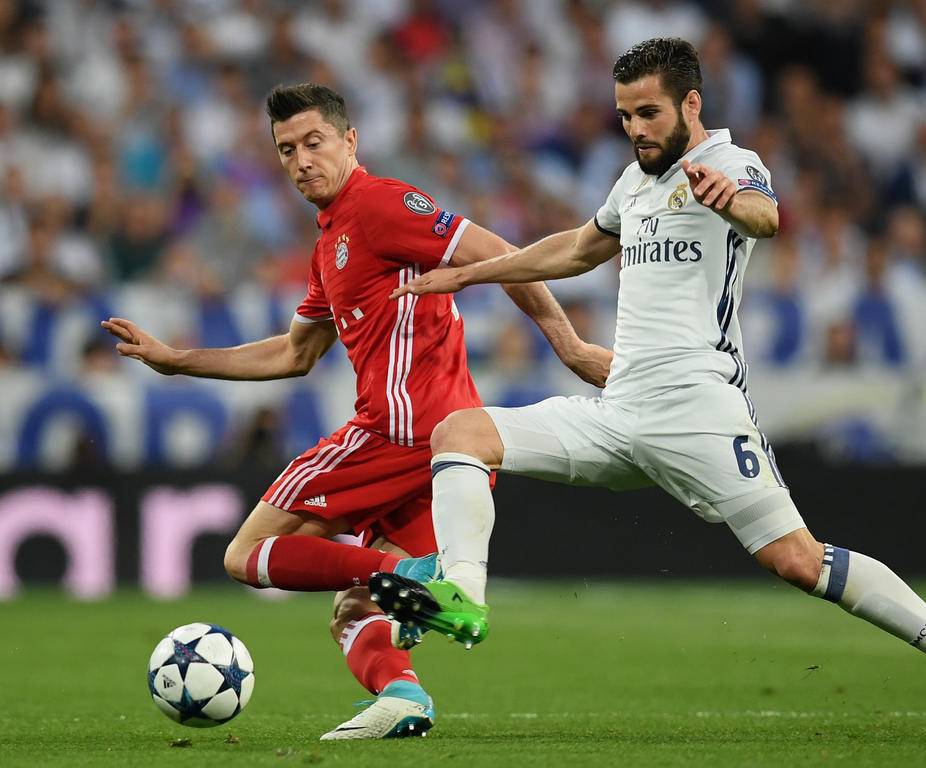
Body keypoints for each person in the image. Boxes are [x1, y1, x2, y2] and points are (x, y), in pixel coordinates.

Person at [372, 38, 926, 731]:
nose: (636, 130)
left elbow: (765, 216)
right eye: (625, 116)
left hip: (700, 410)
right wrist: (472, 274)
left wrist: (730, 200)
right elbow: (576, 247)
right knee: (461, 434)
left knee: (799, 562)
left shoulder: (731, 164)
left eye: (648, 113)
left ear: (690, 103)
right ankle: (464, 595)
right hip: (620, 407)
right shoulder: (634, 183)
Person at [102, 83, 610, 740]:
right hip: (448, 456)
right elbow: (293, 354)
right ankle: (403, 697)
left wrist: (567, 345)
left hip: (398, 435)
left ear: (350, 142)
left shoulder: (379, 204)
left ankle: (418, 576)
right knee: (353, 608)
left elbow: (499, 257)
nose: (301, 160)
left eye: (314, 142)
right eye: (287, 150)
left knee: (246, 554)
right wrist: (177, 361)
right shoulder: (330, 244)